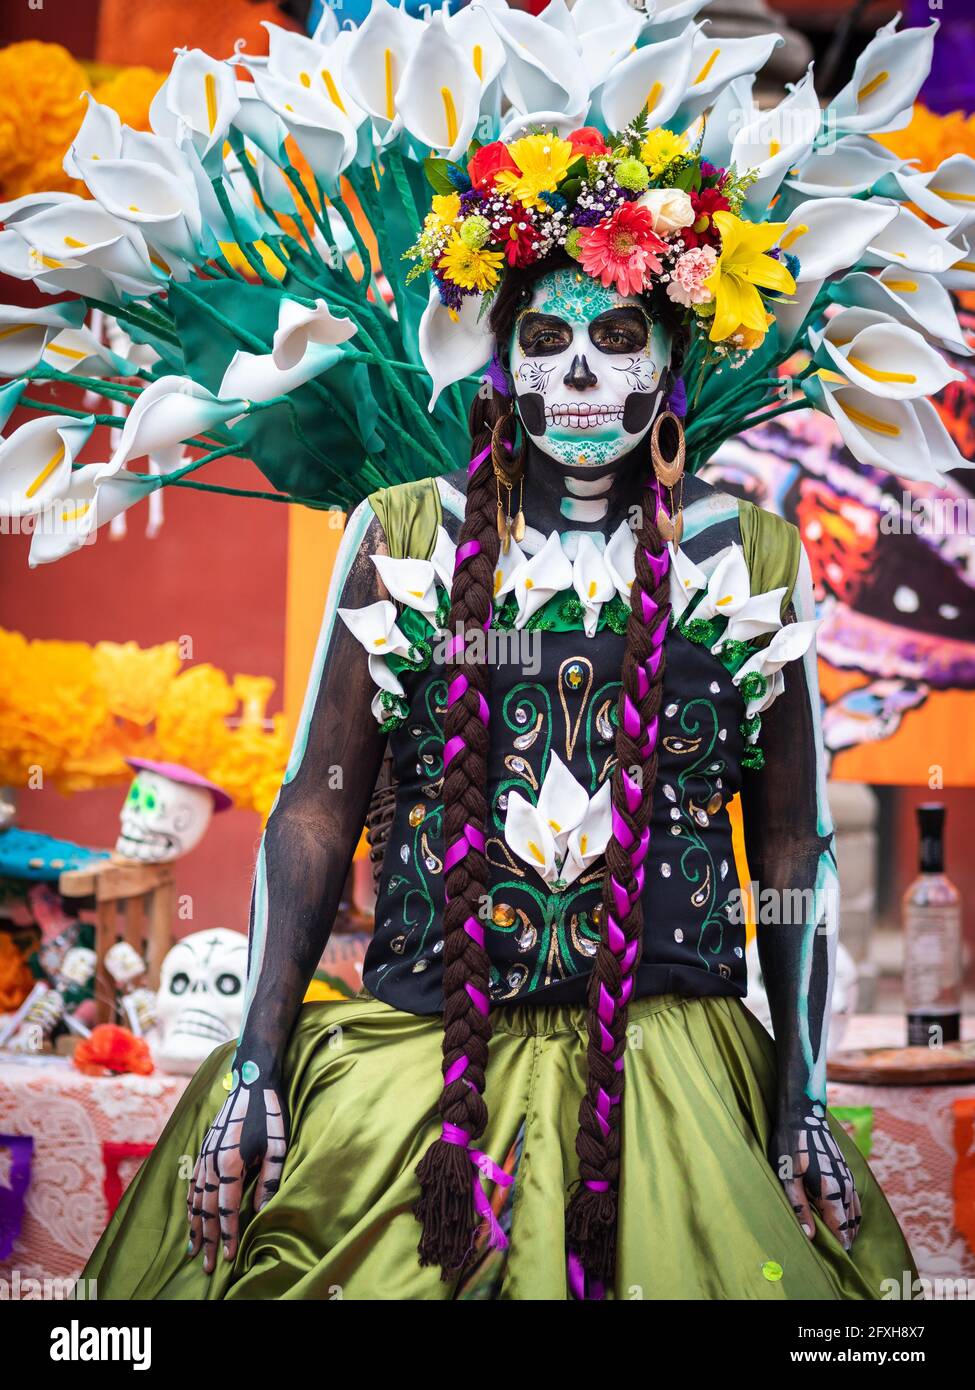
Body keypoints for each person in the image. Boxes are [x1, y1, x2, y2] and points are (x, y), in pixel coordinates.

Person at [85, 250, 913, 1301]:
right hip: (422, 1068)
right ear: (499, 362)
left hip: (674, 1072)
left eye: (615, 340)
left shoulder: (750, 555)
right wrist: (256, 1063)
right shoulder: (403, 533)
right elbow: (315, 807)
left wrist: (801, 1092)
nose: (575, 375)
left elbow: (795, 837)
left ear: (671, 363)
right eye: (544, 339)